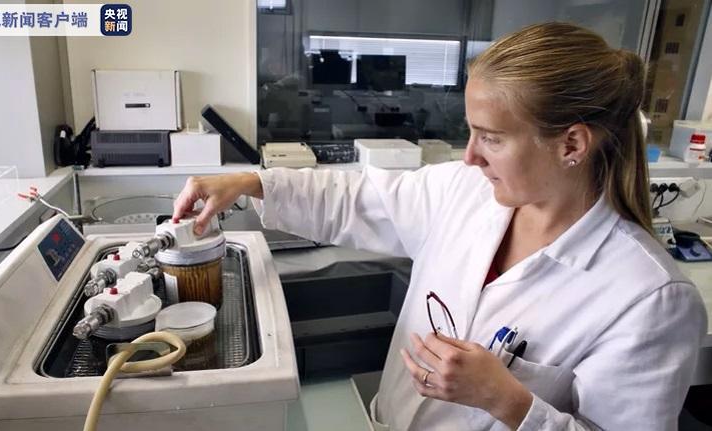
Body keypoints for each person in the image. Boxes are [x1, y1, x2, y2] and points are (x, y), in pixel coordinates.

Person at [173, 22, 706, 430]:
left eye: (491, 138)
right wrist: (249, 182)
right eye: (470, 133)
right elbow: (359, 198)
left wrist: (508, 400)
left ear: (571, 144)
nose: (470, 156)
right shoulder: (467, 191)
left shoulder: (649, 299)